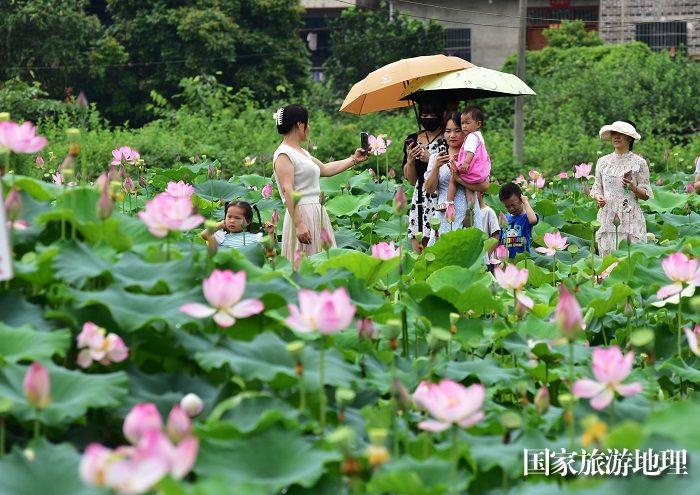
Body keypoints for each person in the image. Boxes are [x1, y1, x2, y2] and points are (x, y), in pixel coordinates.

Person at [272, 104, 368, 259]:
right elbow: (287, 190)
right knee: (306, 264)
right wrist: (299, 224)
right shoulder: (284, 154)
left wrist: (354, 160)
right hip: (301, 213)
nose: (309, 128)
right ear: (299, 124)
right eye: (307, 123)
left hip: (316, 210)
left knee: (324, 262)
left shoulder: (302, 152)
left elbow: (326, 169)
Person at [424, 112, 488, 245]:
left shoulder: (474, 157)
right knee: (444, 253)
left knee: (470, 255)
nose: (452, 135)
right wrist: (436, 166)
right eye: (448, 131)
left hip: (470, 211)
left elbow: (484, 186)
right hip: (445, 212)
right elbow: (429, 189)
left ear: (465, 130)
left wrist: (459, 180)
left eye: (457, 131)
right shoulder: (436, 157)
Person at [590, 120, 652, 256]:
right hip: (607, 217)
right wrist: (598, 197)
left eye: (621, 134)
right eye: (614, 133)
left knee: (631, 261)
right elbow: (597, 188)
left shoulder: (639, 163)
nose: (616, 137)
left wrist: (634, 188)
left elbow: (646, 195)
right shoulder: (602, 162)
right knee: (608, 265)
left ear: (630, 137)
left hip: (631, 217)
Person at [403, 99, 445, 252]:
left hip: (440, 194)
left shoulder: (447, 139)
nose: (428, 118)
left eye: (433, 114)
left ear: (441, 115)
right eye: (425, 114)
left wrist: (430, 159)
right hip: (420, 195)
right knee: (418, 242)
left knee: (437, 240)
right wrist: (410, 161)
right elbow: (411, 180)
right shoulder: (412, 139)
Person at [441, 105, 491, 212]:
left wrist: (465, 163)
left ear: (478, 124)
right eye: (462, 123)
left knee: (453, 179)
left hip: (469, 168)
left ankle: (449, 202)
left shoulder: (471, 137)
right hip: (479, 171)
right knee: (469, 189)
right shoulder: (479, 136)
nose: (464, 126)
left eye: (467, 123)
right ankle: (470, 208)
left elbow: (470, 152)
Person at [499, 182, 539, 259]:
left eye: (513, 205)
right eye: (507, 206)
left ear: (521, 198)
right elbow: (500, 239)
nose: (511, 208)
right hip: (505, 259)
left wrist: (526, 202)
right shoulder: (505, 217)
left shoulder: (526, 217)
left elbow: (533, 220)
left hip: (522, 260)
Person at [478, 191, 501, 256]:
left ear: (481, 193)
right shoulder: (470, 213)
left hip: (487, 258)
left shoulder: (489, 211)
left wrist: (486, 256)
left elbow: (495, 237)